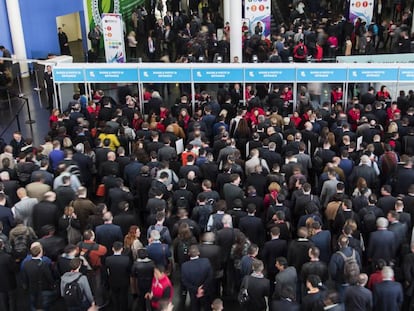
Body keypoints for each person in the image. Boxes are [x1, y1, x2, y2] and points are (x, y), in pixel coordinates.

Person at [21, 243, 56, 311]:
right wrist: (53, 284)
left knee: (33, 303)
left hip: (32, 287)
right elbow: (49, 277)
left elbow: (24, 277)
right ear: (40, 252)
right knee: (45, 304)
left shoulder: (26, 264)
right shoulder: (44, 264)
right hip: (44, 288)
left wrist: (26, 286)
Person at [181, 244, 213, 311]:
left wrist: (196, 289)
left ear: (189, 254)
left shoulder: (184, 266)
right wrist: (202, 288)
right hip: (205, 291)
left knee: (195, 307)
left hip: (193, 292)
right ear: (198, 253)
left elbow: (184, 281)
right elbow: (210, 277)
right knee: (207, 306)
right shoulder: (206, 261)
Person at [105, 241, 131, 311]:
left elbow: (107, 271)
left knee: (114, 296)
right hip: (124, 281)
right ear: (122, 249)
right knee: (124, 297)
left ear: (113, 249)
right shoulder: (126, 259)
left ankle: (116, 308)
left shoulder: (108, 259)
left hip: (113, 281)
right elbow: (129, 271)